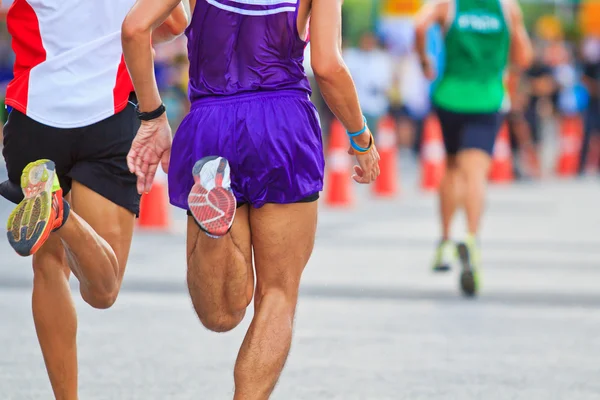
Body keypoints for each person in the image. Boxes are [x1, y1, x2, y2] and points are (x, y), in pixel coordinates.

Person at [121, 0, 380, 397]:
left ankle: (214, 226)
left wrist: (153, 116)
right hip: (283, 126)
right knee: (277, 294)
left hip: (210, 124)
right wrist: (361, 137)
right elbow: (327, 66)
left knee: (221, 314)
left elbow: (135, 29)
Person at [0, 0, 188, 398]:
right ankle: (59, 213)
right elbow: (173, 22)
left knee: (48, 266)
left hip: (33, 118)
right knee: (102, 290)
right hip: (109, 113)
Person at [415, 0, 532, 296]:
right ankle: (470, 236)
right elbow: (525, 56)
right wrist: (505, 66)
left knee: (452, 167)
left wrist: (425, 61)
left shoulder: (447, 5)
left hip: (450, 95)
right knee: (475, 173)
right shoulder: (507, 8)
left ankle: (443, 240)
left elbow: (418, 26)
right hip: (488, 96)